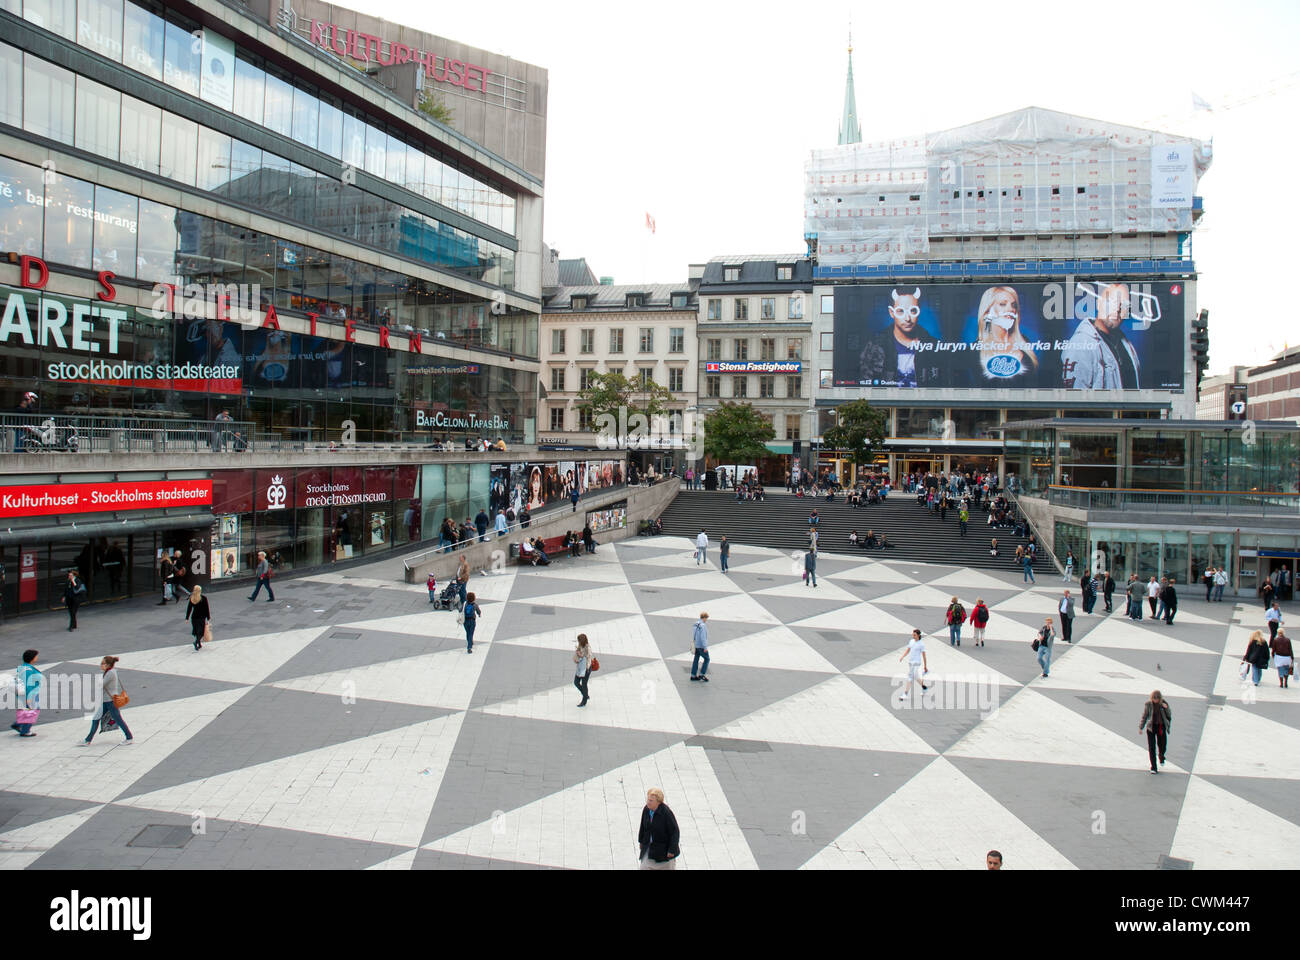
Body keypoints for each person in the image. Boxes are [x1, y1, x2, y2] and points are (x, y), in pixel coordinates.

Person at [1060, 281, 1142, 390]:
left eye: (1124, 305)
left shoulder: (1126, 345)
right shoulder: (1081, 343)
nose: (1117, 309)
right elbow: (1075, 401)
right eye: (1112, 302)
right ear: (1099, 303)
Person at [857, 287, 944, 388]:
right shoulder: (875, 346)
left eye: (913, 311)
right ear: (891, 312)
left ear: (919, 311)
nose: (907, 318)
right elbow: (864, 382)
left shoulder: (934, 346)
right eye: (901, 311)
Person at [79, 656, 133, 745]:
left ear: (108, 665)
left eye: (103, 663)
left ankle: (129, 737)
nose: (101, 665)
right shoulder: (109, 671)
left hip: (110, 701)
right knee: (96, 719)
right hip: (107, 701)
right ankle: (87, 740)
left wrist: (101, 674)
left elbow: (100, 684)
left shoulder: (110, 673)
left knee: (118, 719)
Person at [637, 788, 681, 870]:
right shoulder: (646, 810)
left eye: (651, 800)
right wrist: (641, 841)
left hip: (664, 853)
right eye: (648, 799)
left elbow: (674, 832)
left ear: (658, 802)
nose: (648, 802)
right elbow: (642, 826)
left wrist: (672, 849)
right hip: (649, 849)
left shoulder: (666, 813)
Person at [1139, 690, 1172, 774]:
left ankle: (1161, 756)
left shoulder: (1164, 704)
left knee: (1162, 745)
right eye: (1154, 698)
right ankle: (1153, 767)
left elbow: (1169, 715)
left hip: (1161, 727)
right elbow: (1145, 716)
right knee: (1151, 747)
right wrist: (1141, 727)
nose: (1156, 700)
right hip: (1151, 728)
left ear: (1160, 698)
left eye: (1157, 699)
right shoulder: (1148, 704)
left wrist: (1166, 708)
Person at [12, 649, 41, 737]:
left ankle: (18, 724)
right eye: (36, 656)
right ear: (32, 658)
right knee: (32, 711)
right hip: (29, 694)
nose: (37, 657)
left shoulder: (23, 667)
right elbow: (28, 685)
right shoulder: (28, 670)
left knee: (27, 711)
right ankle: (25, 730)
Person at [897, 628, 928, 701]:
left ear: (918, 635)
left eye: (914, 635)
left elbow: (924, 656)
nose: (913, 636)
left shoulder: (921, 644)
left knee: (910, 677)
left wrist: (925, 666)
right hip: (911, 662)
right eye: (913, 634)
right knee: (916, 677)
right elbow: (908, 650)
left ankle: (905, 694)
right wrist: (902, 656)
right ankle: (924, 687)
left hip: (917, 663)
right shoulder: (911, 641)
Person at [185, 584, 212, 651]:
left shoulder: (192, 598)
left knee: (197, 631)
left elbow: (189, 609)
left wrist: (187, 618)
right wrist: (208, 617)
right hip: (201, 617)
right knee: (202, 632)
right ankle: (196, 642)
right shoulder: (204, 598)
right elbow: (206, 608)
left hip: (194, 617)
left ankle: (199, 644)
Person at [573, 634, 592, 708]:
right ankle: (585, 694)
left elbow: (588, 657)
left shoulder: (588, 648)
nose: (578, 642)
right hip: (580, 668)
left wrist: (580, 655)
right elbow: (578, 654)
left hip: (586, 669)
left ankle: (584, 701)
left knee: (584, 684)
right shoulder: (580, 646)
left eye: (579, 640)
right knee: (576, 682)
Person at [690, 612, 710, 682]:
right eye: (706, 618)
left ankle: (693, 675)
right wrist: (705, 647)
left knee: (696, 659)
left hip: (696, 645)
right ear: (704, 618)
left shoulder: (696, 624)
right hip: (701, 646)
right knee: (707, 659)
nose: (706, 620)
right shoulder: (703, 626)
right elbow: (703, 637)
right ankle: (702, 675)